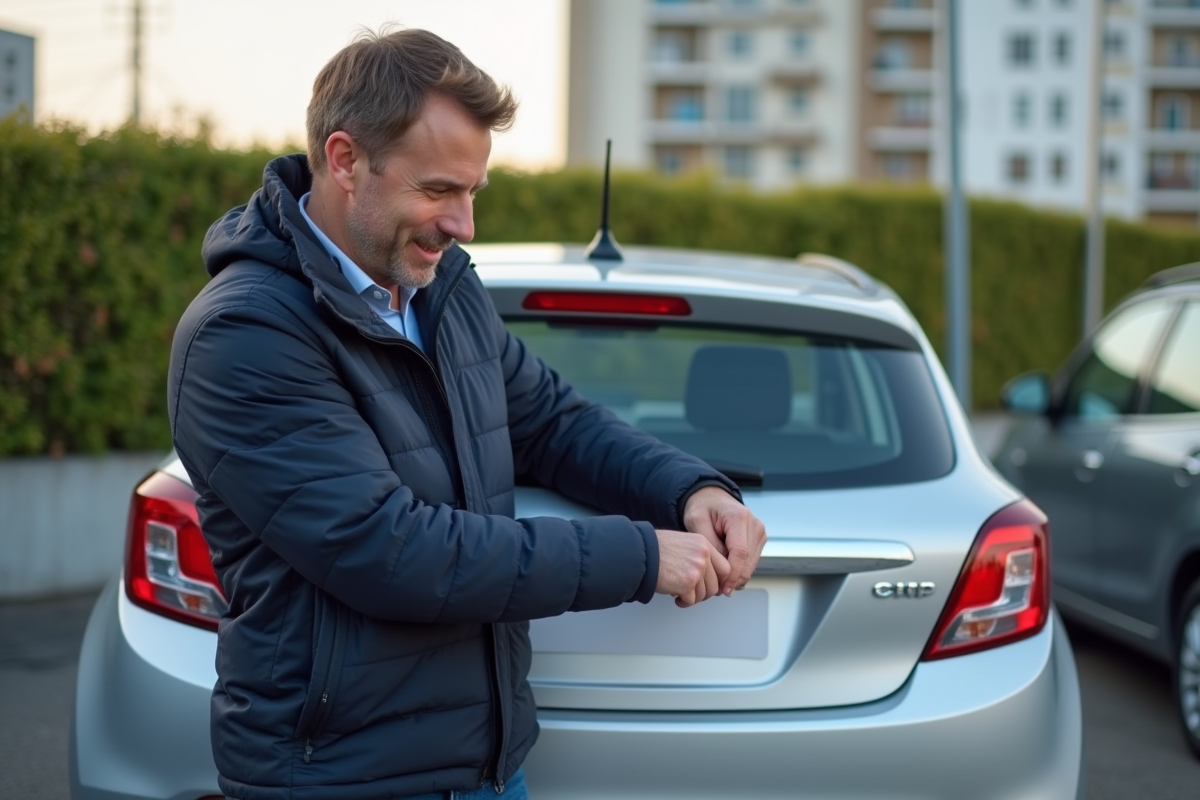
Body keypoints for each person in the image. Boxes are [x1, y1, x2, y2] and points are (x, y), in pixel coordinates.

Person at [167, 28, 767, 800]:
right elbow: (393, 551)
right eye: (438, 191)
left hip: (488, 769)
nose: (463, 225)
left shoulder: (442, 293)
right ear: (346, 159)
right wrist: (644, 557)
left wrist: (692, 490)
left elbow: (551, 423)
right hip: (343, 779)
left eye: (472, 192)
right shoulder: (246, 335)